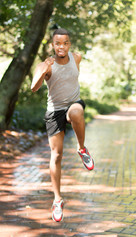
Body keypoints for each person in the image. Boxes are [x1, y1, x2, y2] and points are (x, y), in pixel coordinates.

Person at [31, 28, 94, 222]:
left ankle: (81, 148)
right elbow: (34, 88)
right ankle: (57, 200)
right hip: (54, 111)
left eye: (65, 43)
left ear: (69, 44)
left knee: (76, 111)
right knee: (56, 155)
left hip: (73, 104)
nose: (61, 46)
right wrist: (42, 70)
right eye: (58, 43)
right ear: (53, 44)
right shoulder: (46, 65)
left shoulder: (77, 58)